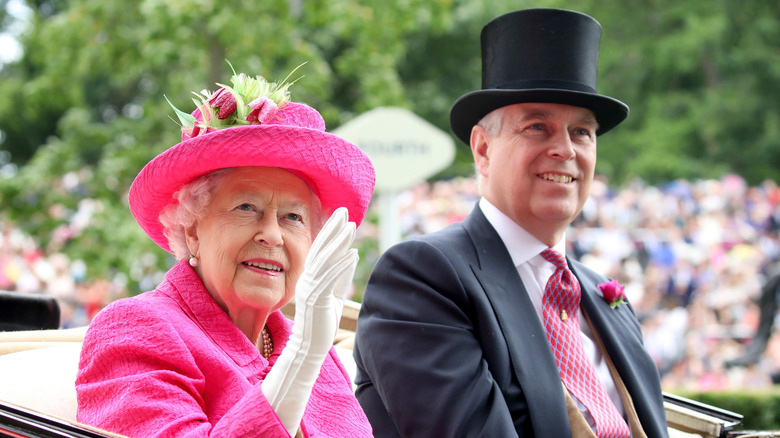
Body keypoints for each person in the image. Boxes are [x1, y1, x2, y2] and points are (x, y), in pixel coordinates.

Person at [353, 8, 669, 438]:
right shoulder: (422, 278)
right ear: (483, 150)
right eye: (538, 127)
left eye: (582, 132)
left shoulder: (604, 297)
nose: (565, 149)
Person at [76, 66, 375, 437]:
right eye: (246, 208)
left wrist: (306, 352)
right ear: (192, 228)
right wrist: (299, 359)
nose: (272, 234)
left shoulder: (319, 354)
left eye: (293, 217)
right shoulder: (134, 329)